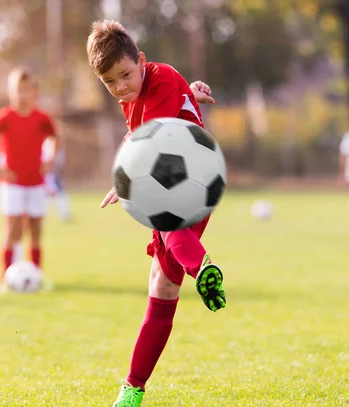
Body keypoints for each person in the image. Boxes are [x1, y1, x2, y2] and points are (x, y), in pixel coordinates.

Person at [86, 20, 223, 407]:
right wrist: (190, 95)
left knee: (165, 223)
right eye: (110, 82)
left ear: (141, 60)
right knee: (162, 289)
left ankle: (132, 389)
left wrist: (124, 180)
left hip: (185, 179)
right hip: (192, 180)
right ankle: (133, 388)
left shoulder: (160, 79)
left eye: (126, 75)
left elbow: (152, 140)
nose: (121, 87)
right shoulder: (142, 91)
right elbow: (166, 110)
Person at [0, 67, 60, 286]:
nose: (22, 94)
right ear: (11, 92)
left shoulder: (42, 118)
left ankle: (35, 276)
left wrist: (50, 161)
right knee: (12, 229)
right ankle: (6, 277)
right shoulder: (5, 117)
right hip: (12, 184)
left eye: (26, 89)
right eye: (18, 90)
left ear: (35, 92)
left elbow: (56, 137)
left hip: (36, 183)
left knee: (36, 229)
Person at [42, 137, 72, 221]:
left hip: (52, 170)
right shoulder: (46, 140)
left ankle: (64, 214)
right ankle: (44, 213)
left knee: (58, 191)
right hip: (49, 169)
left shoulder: (53, 140)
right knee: (48, 192)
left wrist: (50, 166)